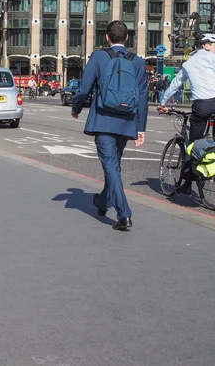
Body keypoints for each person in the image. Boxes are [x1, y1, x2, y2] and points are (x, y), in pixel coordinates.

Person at [71, 20, 148, 231]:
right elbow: (142, 97)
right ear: (127, 38)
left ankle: (124, 214)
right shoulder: (138, 62)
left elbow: (85, 86)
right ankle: (103, 202)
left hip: (104, 119)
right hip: (126, 121)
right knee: (113, 166)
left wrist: (76, 107)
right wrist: (141, 128)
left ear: (106, 37)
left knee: (111, 167)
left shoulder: (98, 56)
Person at [158, 33, 215, 194]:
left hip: (202, 106)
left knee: (192, 146)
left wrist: (162, 103)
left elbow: (175, 84)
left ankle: (188, 185)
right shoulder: (212, 58)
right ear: (207, 45)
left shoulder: (190, 63)